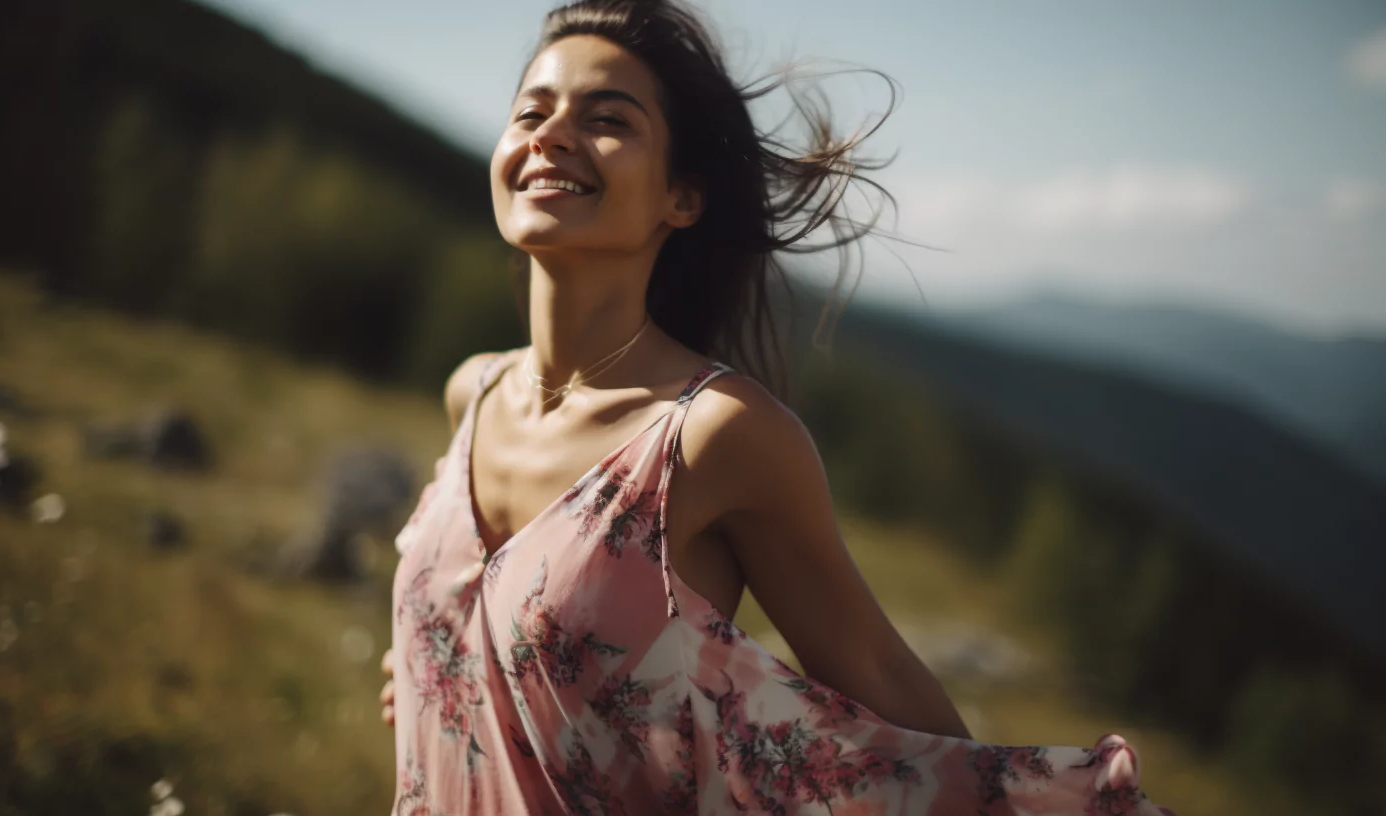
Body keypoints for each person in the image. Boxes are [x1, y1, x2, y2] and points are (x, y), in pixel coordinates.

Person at [378, 1, 1176, 813]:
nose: (549, 136)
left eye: (607, 119)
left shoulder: (712, 436)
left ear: (681, 198)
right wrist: (435, 664)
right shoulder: (471, 391)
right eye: (530, 112)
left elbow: (876, 675)